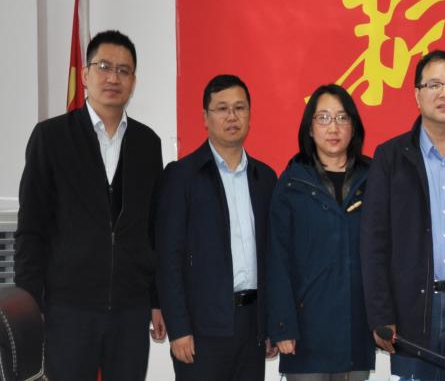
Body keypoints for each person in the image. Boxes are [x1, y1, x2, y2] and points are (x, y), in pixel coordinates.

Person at [16, 30, 165, 380]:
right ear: (85, 75)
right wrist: (30, 302)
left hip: (130, 310)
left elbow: (154, 229)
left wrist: (157, 299)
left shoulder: (147, 143)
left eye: (123, 71)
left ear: (133, 82)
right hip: (68, 309)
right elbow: (32, 228)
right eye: (104, 67)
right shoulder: (51, 138)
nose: (113, 78)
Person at [361, 50, 445, 380]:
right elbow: (373, 243)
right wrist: (381, 314)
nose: (444, 93)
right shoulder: (390, 158)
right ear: (417, 94)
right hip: (410, 312)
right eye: (434, 84)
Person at [156, 74, 279, 380]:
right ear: (205, 118)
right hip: (201, 329)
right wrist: (179, 328)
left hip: (252, 325)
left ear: (249, 114)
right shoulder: (182, 176)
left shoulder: (265, 178)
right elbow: (168, 258)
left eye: (239, 108)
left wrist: (272, 324)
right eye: (222, 108)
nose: (232, 116)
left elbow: (273, 257)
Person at [266, 84, 376, 380]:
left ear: (353, 126)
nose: (333, 128)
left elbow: (384, 254)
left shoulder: (373, 180)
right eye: (324, 118)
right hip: (306, 332)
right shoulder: (291, 183)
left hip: (357, 329)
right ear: (310, 128)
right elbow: (277, 260)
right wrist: (282, 325)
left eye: (342, 118)